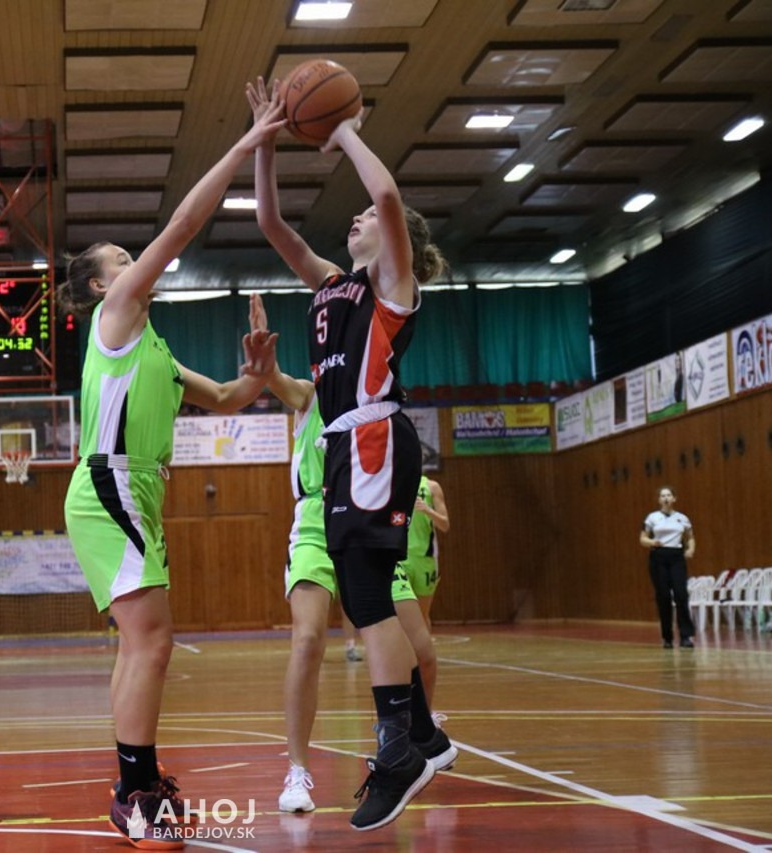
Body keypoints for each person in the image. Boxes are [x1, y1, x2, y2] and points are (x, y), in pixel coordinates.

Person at [60, 91, 286, 850]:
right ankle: (135, 794)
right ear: (102, 285)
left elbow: (223, 397)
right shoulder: (117, 315)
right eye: (123, 261)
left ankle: (136, 782)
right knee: (152, 639)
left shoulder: (151, 345)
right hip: (111, 482)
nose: (136, 263)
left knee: (142, 642)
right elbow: (183, 225)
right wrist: (247, 143)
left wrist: (259, 373)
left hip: (133, 489)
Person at [248, 77, 449, 831]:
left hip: (373, 438)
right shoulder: (333, 285)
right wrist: (266, 139)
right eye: (356, 215)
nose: (357, 216)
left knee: (366, 601)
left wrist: (345, 131)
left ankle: (400, 748)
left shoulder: (392, 285)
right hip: (343, 448)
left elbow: (387, 196)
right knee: (364, 598)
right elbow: (271, 223)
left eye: (365, 219)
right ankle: (419, 734)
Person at [244, 295, 454, 816]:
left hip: (366, 515)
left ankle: (408, 740)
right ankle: (297, 770)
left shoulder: (374, 399)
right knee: (308, 639)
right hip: (317, 523)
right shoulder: (314, 393)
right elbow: (281, 384)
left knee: (422, 649)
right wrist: (266, 367)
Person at [640, 486, 696, 648]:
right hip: (659, 556)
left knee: (681, 594)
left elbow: (690, 537)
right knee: (663, 596)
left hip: (676, 556)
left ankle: (686, 636)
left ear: (674, 498)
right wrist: (652, 542)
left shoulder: (682, 518)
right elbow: (643, 538)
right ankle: (667, 637)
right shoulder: (652, 518)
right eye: (663, 496)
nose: (666, 498)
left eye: (669, 495)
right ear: (659, 500)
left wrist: (690, 549)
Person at [400, 477, 450, 632]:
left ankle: (423, 647)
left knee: (422, 615)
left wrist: (427, 510)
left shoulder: (431, 487)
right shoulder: (394, 483)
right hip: (399, 557)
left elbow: (445, 525)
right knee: (400, 614)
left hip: (425, 558)